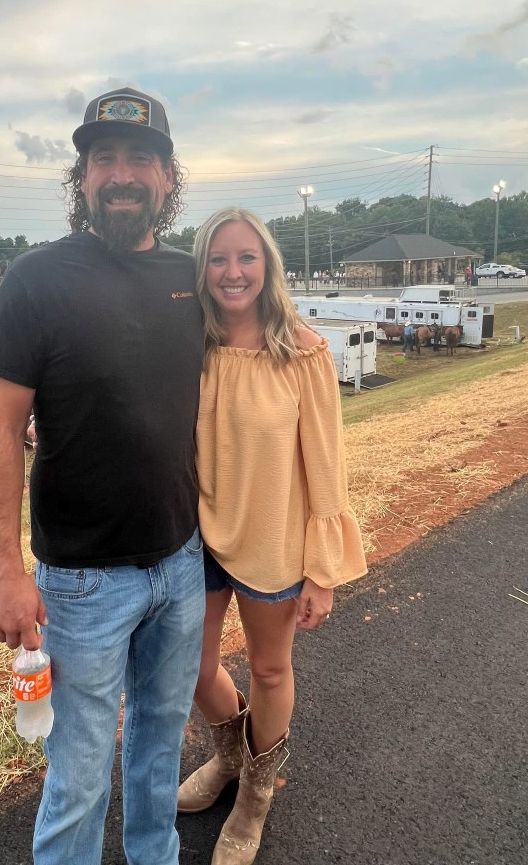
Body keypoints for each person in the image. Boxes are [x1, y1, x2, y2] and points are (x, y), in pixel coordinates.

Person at [0, 87, 205, 865]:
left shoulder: (191, 278)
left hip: (181, 562)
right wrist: (5, 570)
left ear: (168, 178)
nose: (122, 174)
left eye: (141, 158)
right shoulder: (36, 281)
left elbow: (259, 347)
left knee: (159, 749)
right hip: (80, 584)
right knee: (77, 779)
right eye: (104, 158)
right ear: (82, 178)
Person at [179, 208, 367, 865]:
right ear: (202, 268)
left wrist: (323, 570)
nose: (232, 272)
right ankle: (231, 755)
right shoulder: (192, 345)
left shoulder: (304, 353)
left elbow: (326, 466)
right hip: (198, 537)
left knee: (268, 668)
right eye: (218, 258)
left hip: (274, 541)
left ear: (268, 266)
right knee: (192, 665)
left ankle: (256, 794)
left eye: (246, 257)